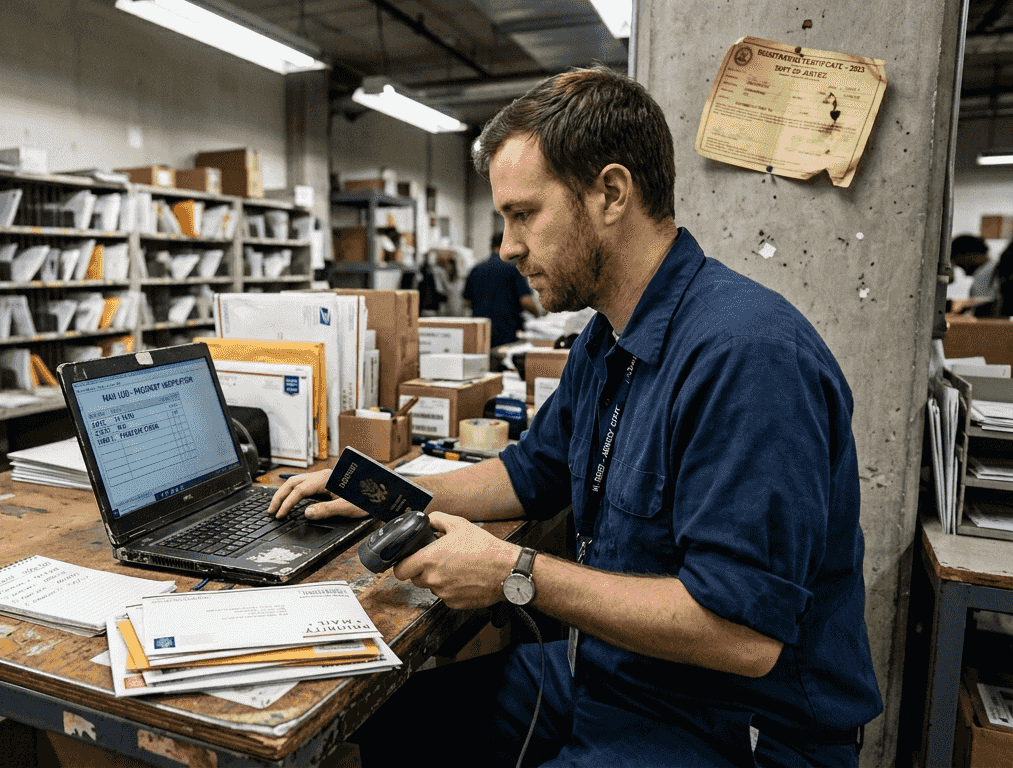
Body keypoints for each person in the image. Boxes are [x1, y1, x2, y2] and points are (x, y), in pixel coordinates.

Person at [270, 65, 882, 767]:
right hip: (615, 674)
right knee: (395, 721)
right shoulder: (608, 336)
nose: (506, 248)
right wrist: (384, 493)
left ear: (611, 194)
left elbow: (741, 636)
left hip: (728, 725)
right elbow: (532, 472)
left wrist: (515, 571)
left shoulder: (748, 358)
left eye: (523, 214)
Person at [464, 231, 541, 346]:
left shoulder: (476, 269)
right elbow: (525, 300)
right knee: (502, 356)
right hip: (505, 330)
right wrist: (537, 314)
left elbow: (468, 301)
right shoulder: (511, 270)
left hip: (480, 330)